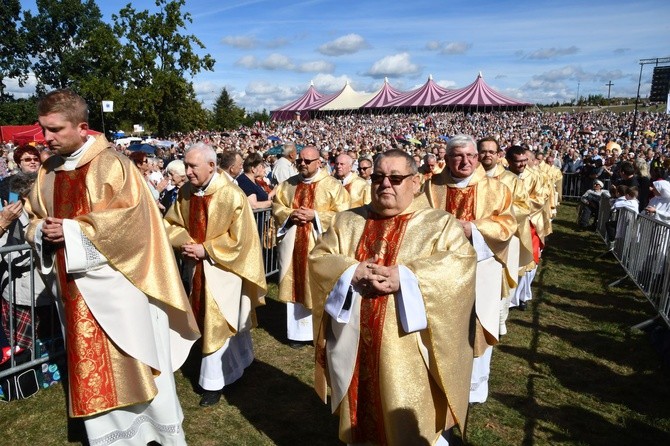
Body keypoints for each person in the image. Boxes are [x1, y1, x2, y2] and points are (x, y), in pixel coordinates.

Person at [25, 89, 200, 445]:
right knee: (90, 363)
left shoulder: (113, 165)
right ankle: (109, 436)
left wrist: (73, 231)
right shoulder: (48, 171)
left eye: (55, 129)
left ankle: (154, 430)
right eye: (43, 129)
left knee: (135, 357)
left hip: (119, 288)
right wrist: (41, 230)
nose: (46, 138)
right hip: (73, 291)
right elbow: (33, 217)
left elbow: (133, 225)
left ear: (82, 126)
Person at [309, 149, 477, 445]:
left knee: (409, 422)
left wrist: (409, 277)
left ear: (414, 182)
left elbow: (460, 265)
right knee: (362, 420)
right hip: (356, 347)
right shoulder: (348, 221)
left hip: (408, 352)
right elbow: (319, 259)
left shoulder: (438, 223)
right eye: (378, 177)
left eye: (396, 178)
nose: (385, 184)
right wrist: (351, 271)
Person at [164, 143, 267, 407]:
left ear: (211, 166)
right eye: (185, 166)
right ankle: (242, 362)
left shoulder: (232, 195)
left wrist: (206, 249)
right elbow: (171, 223)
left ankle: (212, 382)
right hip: (195, 268)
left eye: (192, 166)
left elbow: (242, 240)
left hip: (223, 272)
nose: (187, 172)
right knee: (216, 320)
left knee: (218, 322)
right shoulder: (186, 192)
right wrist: (185, 242)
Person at [425, 134, 516, 404]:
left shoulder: (496, 189)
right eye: (458, 156)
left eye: (470, 156)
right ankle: (441, 379)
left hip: (482, 269)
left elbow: (507, 224)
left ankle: (473, 388)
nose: (465, 161)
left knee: (476, 327)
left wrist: (473, 229)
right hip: (440, 271)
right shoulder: (431, 188)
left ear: (477, 158)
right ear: (447, 159)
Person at [272, 146, 349, 348]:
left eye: (308, 161)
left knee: (318, 285)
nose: (303, 164)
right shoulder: (288, 185)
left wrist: (314, 216)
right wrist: (290, 214)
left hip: (318, 245)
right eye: (300, 161)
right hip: (293, 243)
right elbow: (276, 206)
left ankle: (321, 331)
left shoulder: (332, 186)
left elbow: (343, 215)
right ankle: (297, 334)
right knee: (295, 284)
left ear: (319, 162)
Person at [1, 149, 56, 351]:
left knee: (50, 343)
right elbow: (13, 254)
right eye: (27, 159)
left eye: (35, 159)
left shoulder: (50, 189)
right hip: (22, 290)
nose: (33, 162)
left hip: (46, 288)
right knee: (24, 348)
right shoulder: (9, 195)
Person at [477, 137, 534, 336]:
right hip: (477, 238)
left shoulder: (511, 180)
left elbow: (523, 207)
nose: (487, 155)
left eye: (491, 151)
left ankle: (500, 319)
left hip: (506, 237)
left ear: (498, 155)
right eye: (483, 151)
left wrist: (496, 218)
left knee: (503, 280)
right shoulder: (472, 178)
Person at [506, 146, 549, 311]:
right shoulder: (502, 176)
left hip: (529, 222)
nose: (523, 164)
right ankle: (508, 297)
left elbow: (539, 198)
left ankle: (521, 296)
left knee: (528, 261)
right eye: (519, 161)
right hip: (507, 224)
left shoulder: (535, 176)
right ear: (509, 161)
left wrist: (517, 208)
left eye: (525, 160)